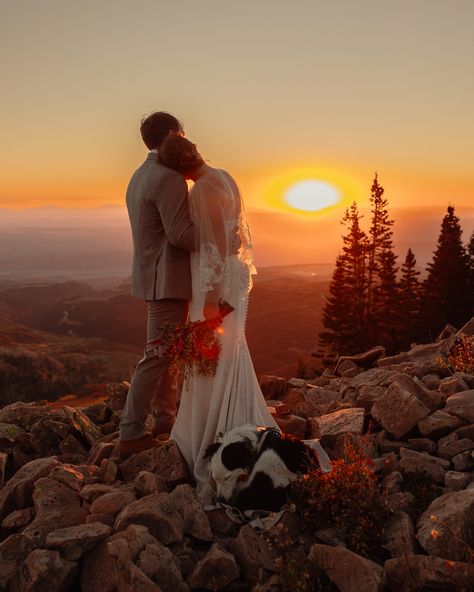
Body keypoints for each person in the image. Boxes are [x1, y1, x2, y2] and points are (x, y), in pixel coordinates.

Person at [158, 135, 278, 502]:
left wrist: (209, 303)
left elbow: (214, 246)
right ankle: (237, 417)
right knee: (231, 352)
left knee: (213, 354)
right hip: (233, 278)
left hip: (217, 286)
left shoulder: (203, 190)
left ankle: (212, 432)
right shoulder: (225, 175)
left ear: (179, 167)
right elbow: (235, 236)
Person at [119, 112, 195, 458]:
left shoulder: (138, 176)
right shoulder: (168, 179)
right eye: (181, 132)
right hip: (169, 279)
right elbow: (180, 236)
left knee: (169, 354)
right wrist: (222, 236)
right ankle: (131, 431)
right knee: (157, 355)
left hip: (150, 276)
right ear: (171, 134)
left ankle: (166, 420)